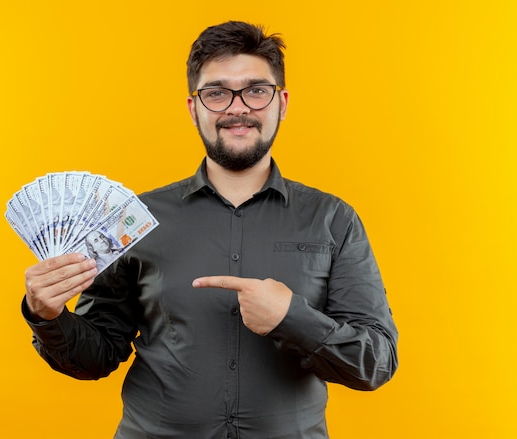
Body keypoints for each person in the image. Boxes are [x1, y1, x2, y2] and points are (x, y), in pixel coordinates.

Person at [22, 21, 398, 439]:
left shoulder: (334, 219)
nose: (238, 108)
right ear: (193, 107)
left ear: (282, 102)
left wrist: (290, 318)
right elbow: (95, 357)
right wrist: (47, 315)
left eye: (256, 90)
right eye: (216, 93)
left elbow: (375, 363)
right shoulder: (133, 219)